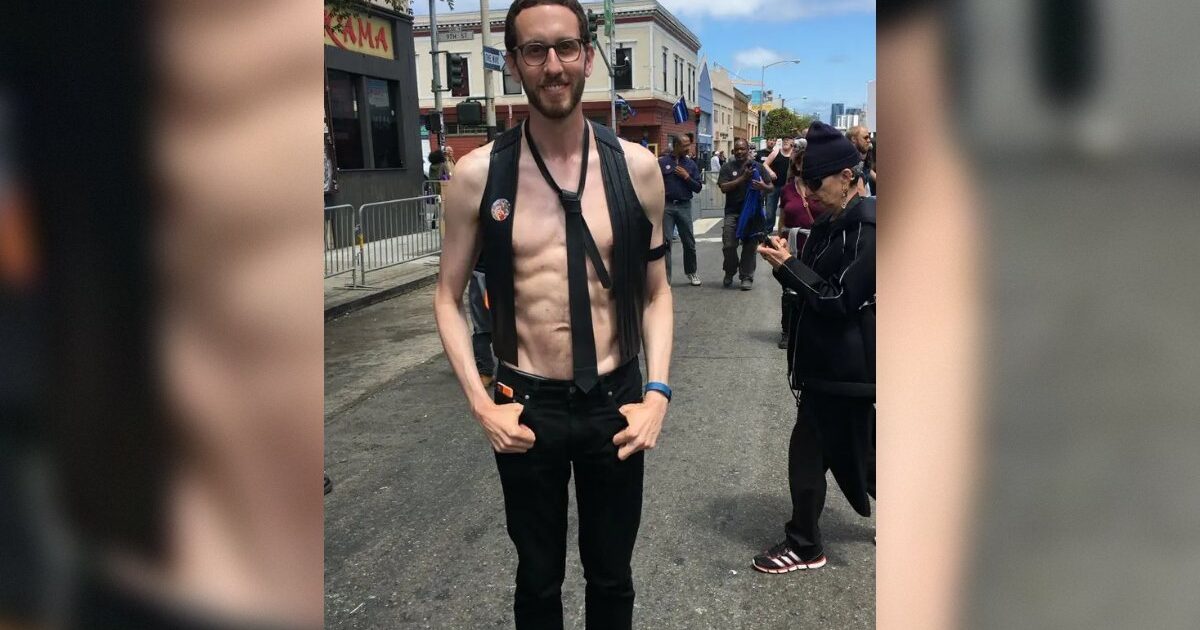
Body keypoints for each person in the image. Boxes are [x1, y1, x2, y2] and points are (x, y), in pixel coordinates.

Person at [432, 1, 673, 627]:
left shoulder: (638, 170)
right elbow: (446, 296)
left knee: (612, 576)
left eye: (566, 47)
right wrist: (481, 403)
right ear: (514, 63)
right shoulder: (477, 175)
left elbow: (656, 293)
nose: (553, 65)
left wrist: (658, 394)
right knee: (537, 579)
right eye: (534, 50)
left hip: (616, 402)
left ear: (588, 56)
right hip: (525, 403)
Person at [752, 121, 875, 574]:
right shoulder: (832, 223)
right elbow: (816, 283)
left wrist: (789, 268)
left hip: (846, 369)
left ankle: (804, 544)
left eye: (815, 182)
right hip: (830, 364)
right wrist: (788, 260)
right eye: (802, 182)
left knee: (809, 451)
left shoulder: (869, 228)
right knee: (862, 452)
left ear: (847, 176)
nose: (807, 193)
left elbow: (838, 299)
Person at [774, 145, 827, 349]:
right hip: (792, 245)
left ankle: (810, 327)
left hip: (817, 244)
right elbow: (783, 218)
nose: (807, 166)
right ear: (796, 165)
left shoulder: (821, 186)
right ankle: (787, 330)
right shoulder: (787, 189)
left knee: (813, 286)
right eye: (802, 162)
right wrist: (779, 239)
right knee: (789, 289)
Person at [717, 137, 773, 290]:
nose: (740, 151)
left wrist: (763, 186)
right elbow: (724, 187)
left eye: (743, 148)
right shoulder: (727, 168)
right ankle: (730, 271)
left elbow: (771, 187)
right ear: (733, 151)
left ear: (748, 150)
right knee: (729, 245)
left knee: (749, 247)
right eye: (737, 149)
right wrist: (743, 178)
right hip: (732, 213)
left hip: (752, 215)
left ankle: (746, 276)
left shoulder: (759, 167)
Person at [659, 134, 703, 286]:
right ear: (676, 145)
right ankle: (666, 279)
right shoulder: (662, 162)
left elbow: (698, 187)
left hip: (684, 206)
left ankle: (691, 272)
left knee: (689, 242)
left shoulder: (691, 165)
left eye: (688, 145)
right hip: (667, 206)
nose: (687, 149)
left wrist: (686, 177)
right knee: (666, 243)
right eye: (684, 146)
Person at [760, 136, 798, 234]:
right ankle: (767, 231)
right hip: (774, 186)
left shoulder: (794, 154)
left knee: (788, 210)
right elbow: (765, 164)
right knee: (770, 211)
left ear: (792, 142)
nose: (786, 141)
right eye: (784, 140)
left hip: (789, 187)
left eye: (788, 140)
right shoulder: (776, 152)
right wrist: (771, 172)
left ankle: (785, 231)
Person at [848, 125, 875, 195]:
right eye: (865, 138)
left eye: (869, 137)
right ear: (854, 139)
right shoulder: (848, 161)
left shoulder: (864, 159)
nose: (869, 140)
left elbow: (868, 170)